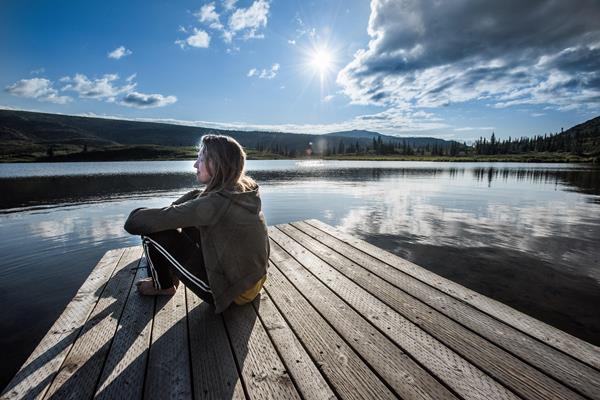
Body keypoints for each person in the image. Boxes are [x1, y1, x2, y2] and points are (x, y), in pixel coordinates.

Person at [124, 134, 269, 313]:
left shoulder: (213, 204)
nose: (194, 165)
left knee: (151, 233)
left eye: (200, 159)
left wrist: (161, 214)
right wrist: (188, 200)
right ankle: (168, 276)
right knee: (185, 212)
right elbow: (191, 207)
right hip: (253, 281)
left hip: (232, 294)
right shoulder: (243, 190)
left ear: (216, 164)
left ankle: (163, 285)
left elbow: (133, 223)